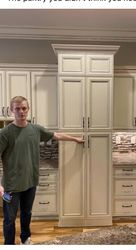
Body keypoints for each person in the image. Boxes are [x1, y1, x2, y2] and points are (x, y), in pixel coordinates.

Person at [0, 96, 85, 245]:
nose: (21, 111)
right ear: (11, 110)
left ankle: (25, 239)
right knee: (9, 220)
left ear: (28, 109)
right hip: (11, 186)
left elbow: (56, 135)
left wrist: (75, 139)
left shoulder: (36, 129)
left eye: (24, 108)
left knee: (27, 213)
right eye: (17, 108)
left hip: (31, 181)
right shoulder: (5, 133)